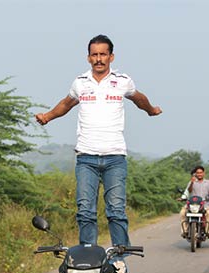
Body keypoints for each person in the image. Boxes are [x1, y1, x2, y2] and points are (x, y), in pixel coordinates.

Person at [35, 34, 162, 250]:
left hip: (115, 157)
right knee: (85, 211)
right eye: (94, 55)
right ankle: (87, 259)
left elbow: (138, 97)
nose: (99, 59)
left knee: (116, 211)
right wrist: (47, 116)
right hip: (86, 158)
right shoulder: (80, 83)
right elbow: (66, 104)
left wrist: (150, 110)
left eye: (103, 54)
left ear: (111, 57)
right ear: (88, 58)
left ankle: (120, 265)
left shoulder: (122, 81)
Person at [179, 165, 209, 239]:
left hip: (204, 203)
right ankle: (184, 231)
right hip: (192, 203)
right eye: (197, 173)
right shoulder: (191, 182)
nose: (199, 174)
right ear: (195, 174)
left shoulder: (208, 182)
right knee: (182, 212)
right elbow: (189, 191)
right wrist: (192, 183)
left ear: (203, 173)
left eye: (201, 172)